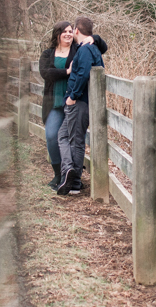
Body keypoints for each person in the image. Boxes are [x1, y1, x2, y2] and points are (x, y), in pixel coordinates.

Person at [38, 21, 108, 190]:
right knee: (52, 136)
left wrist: (94, 38)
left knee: (73, 139)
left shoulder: (78, 49)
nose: (68, 34)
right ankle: (59, 173)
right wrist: (67, 72)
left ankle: (70, 177)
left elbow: (102, 48)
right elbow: (46, 73)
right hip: (56, 103)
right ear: (57, 34)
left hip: (73, 101)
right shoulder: (48, 54)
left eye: (71, 31)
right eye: (65, 31)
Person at [56, 16, 104, 196]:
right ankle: (69, 172)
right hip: (83, 102)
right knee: (64, 136)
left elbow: (83, 74)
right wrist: (96, 38)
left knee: (75, 141)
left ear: (76, 30)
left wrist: (72, 97)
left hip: (79, 102)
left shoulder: (85, 50)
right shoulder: (93, 48)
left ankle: (74, 182)